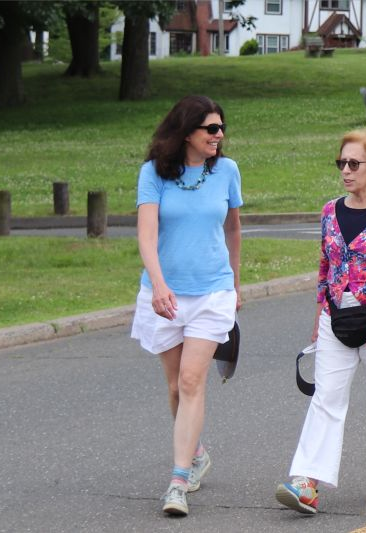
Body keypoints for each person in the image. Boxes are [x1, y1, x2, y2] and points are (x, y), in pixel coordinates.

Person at [275, 128, 366, 515]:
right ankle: (306, 481)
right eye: (342, 163)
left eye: (354, 163)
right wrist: (320, 314)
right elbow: (325, 267)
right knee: (326, 396)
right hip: (337, 314)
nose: (346, 170)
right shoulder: (329, 211)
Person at [130, 95, 243, 516]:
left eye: (221, 128)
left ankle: (178, 481)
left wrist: (234, 283)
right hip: (165, 293)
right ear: (186, 132)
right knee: (177, 386)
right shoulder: (154, 173)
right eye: (210, 129)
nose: (219, 135)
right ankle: (195, 451)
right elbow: (146, 235)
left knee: (193, 382)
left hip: (213, 292)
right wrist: (158, 285)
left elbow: (233, 230)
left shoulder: (227, 171)